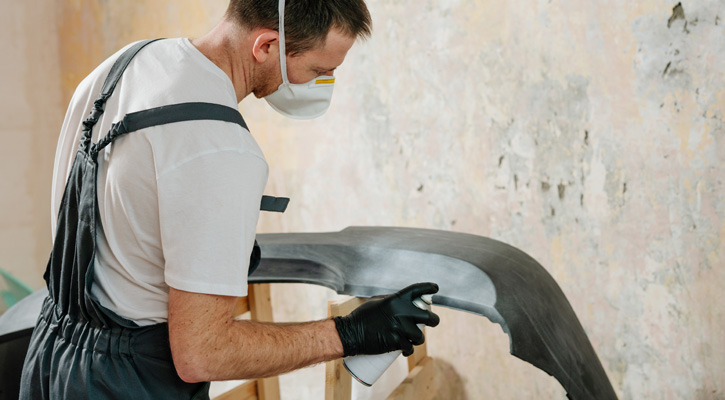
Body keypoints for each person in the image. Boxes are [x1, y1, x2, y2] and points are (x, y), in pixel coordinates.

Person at [19, 0, 440, 399]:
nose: (319, 83)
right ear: (266, 45)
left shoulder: (126, 63)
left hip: (51, 356)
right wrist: (349, 334)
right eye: (317, 68)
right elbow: (203, 353)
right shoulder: (220, 149)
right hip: (126, 384)